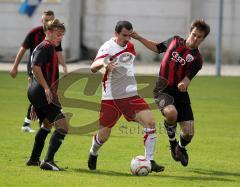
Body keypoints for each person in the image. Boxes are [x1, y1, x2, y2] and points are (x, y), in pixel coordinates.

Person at [87, 20, 164, 173]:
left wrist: (137, 37)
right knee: (103, 136)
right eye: (124, 35)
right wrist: (104, 64)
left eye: (130, 35)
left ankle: (149, 160)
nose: (127, 39)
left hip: (131, 95)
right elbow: (92, 67)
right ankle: (93, 152)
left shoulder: (131, 46)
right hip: (111, 98)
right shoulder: (108, 47)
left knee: (150, 123)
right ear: (116, 33)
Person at [131, 19, 210, 167]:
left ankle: (180, 147)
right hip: (162, 89)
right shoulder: (174, 41)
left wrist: (183, 84)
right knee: (171, 114)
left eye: (200, 37)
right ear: (190, 32)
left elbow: (187, 79)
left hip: (180, 93)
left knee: (189, 132)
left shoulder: (197, 59)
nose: (195, 39)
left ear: (203, 39)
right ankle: (173, 144)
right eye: (194, 35)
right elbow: (156, 47)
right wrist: (139, 37)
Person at [9, 10, 67, 133]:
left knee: (42, 98)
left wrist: (64, 66)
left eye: (50, 19)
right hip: (34, 71)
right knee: (39, 94)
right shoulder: (34, 33)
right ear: (42, 21)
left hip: (48, 74)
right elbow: (22, 50)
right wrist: (15, 66)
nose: (48, 22)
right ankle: (29, 123)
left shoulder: (56, 35)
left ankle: (34, 123)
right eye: (46, 20)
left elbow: (59, 52)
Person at [26, 19, 68, 171]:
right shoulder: (47, 47)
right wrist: (45, 89)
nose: (60, 37)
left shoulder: (43, 46)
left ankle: (33, 159)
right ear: (48, 32)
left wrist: (34, 102)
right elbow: (35, 67)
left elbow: (36, 71)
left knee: (46, 124)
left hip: (35, 92)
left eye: (62, 35)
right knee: (63, 126)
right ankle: (48, 161)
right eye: (58, 34)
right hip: (41, 92)